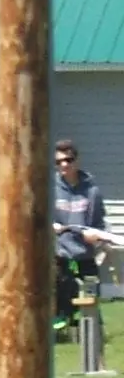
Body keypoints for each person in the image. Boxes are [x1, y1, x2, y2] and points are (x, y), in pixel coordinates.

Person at [52, 139, 110, 326]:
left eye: (68, 160)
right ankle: (62, 319)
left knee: (91, 294)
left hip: (84, 252)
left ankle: (93, 328)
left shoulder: (91, 190)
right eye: (59, 161)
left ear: (76, 161)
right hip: (60, 251)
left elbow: (98, 223)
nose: (64, 165)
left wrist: (96, 237)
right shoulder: (51, 189)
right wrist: (51, 226)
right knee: (60, 285)